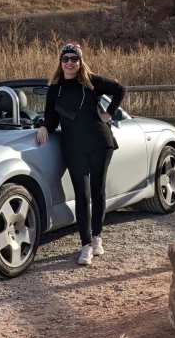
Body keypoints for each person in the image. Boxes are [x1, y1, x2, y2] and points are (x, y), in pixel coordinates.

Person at [35, 42, 125, 266]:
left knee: (97, 191)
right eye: (65, 59)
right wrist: (43, 126)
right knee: (82, 196)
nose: (69, 63)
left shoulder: (91, 82)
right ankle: (85, 246)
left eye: (74, 59)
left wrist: (109, 113)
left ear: (80, 61)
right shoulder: (55, 88)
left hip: (99, 143)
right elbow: (50, 116)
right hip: (73, 147)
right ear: (60, 62)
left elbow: (119, 89)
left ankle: (97, 239)